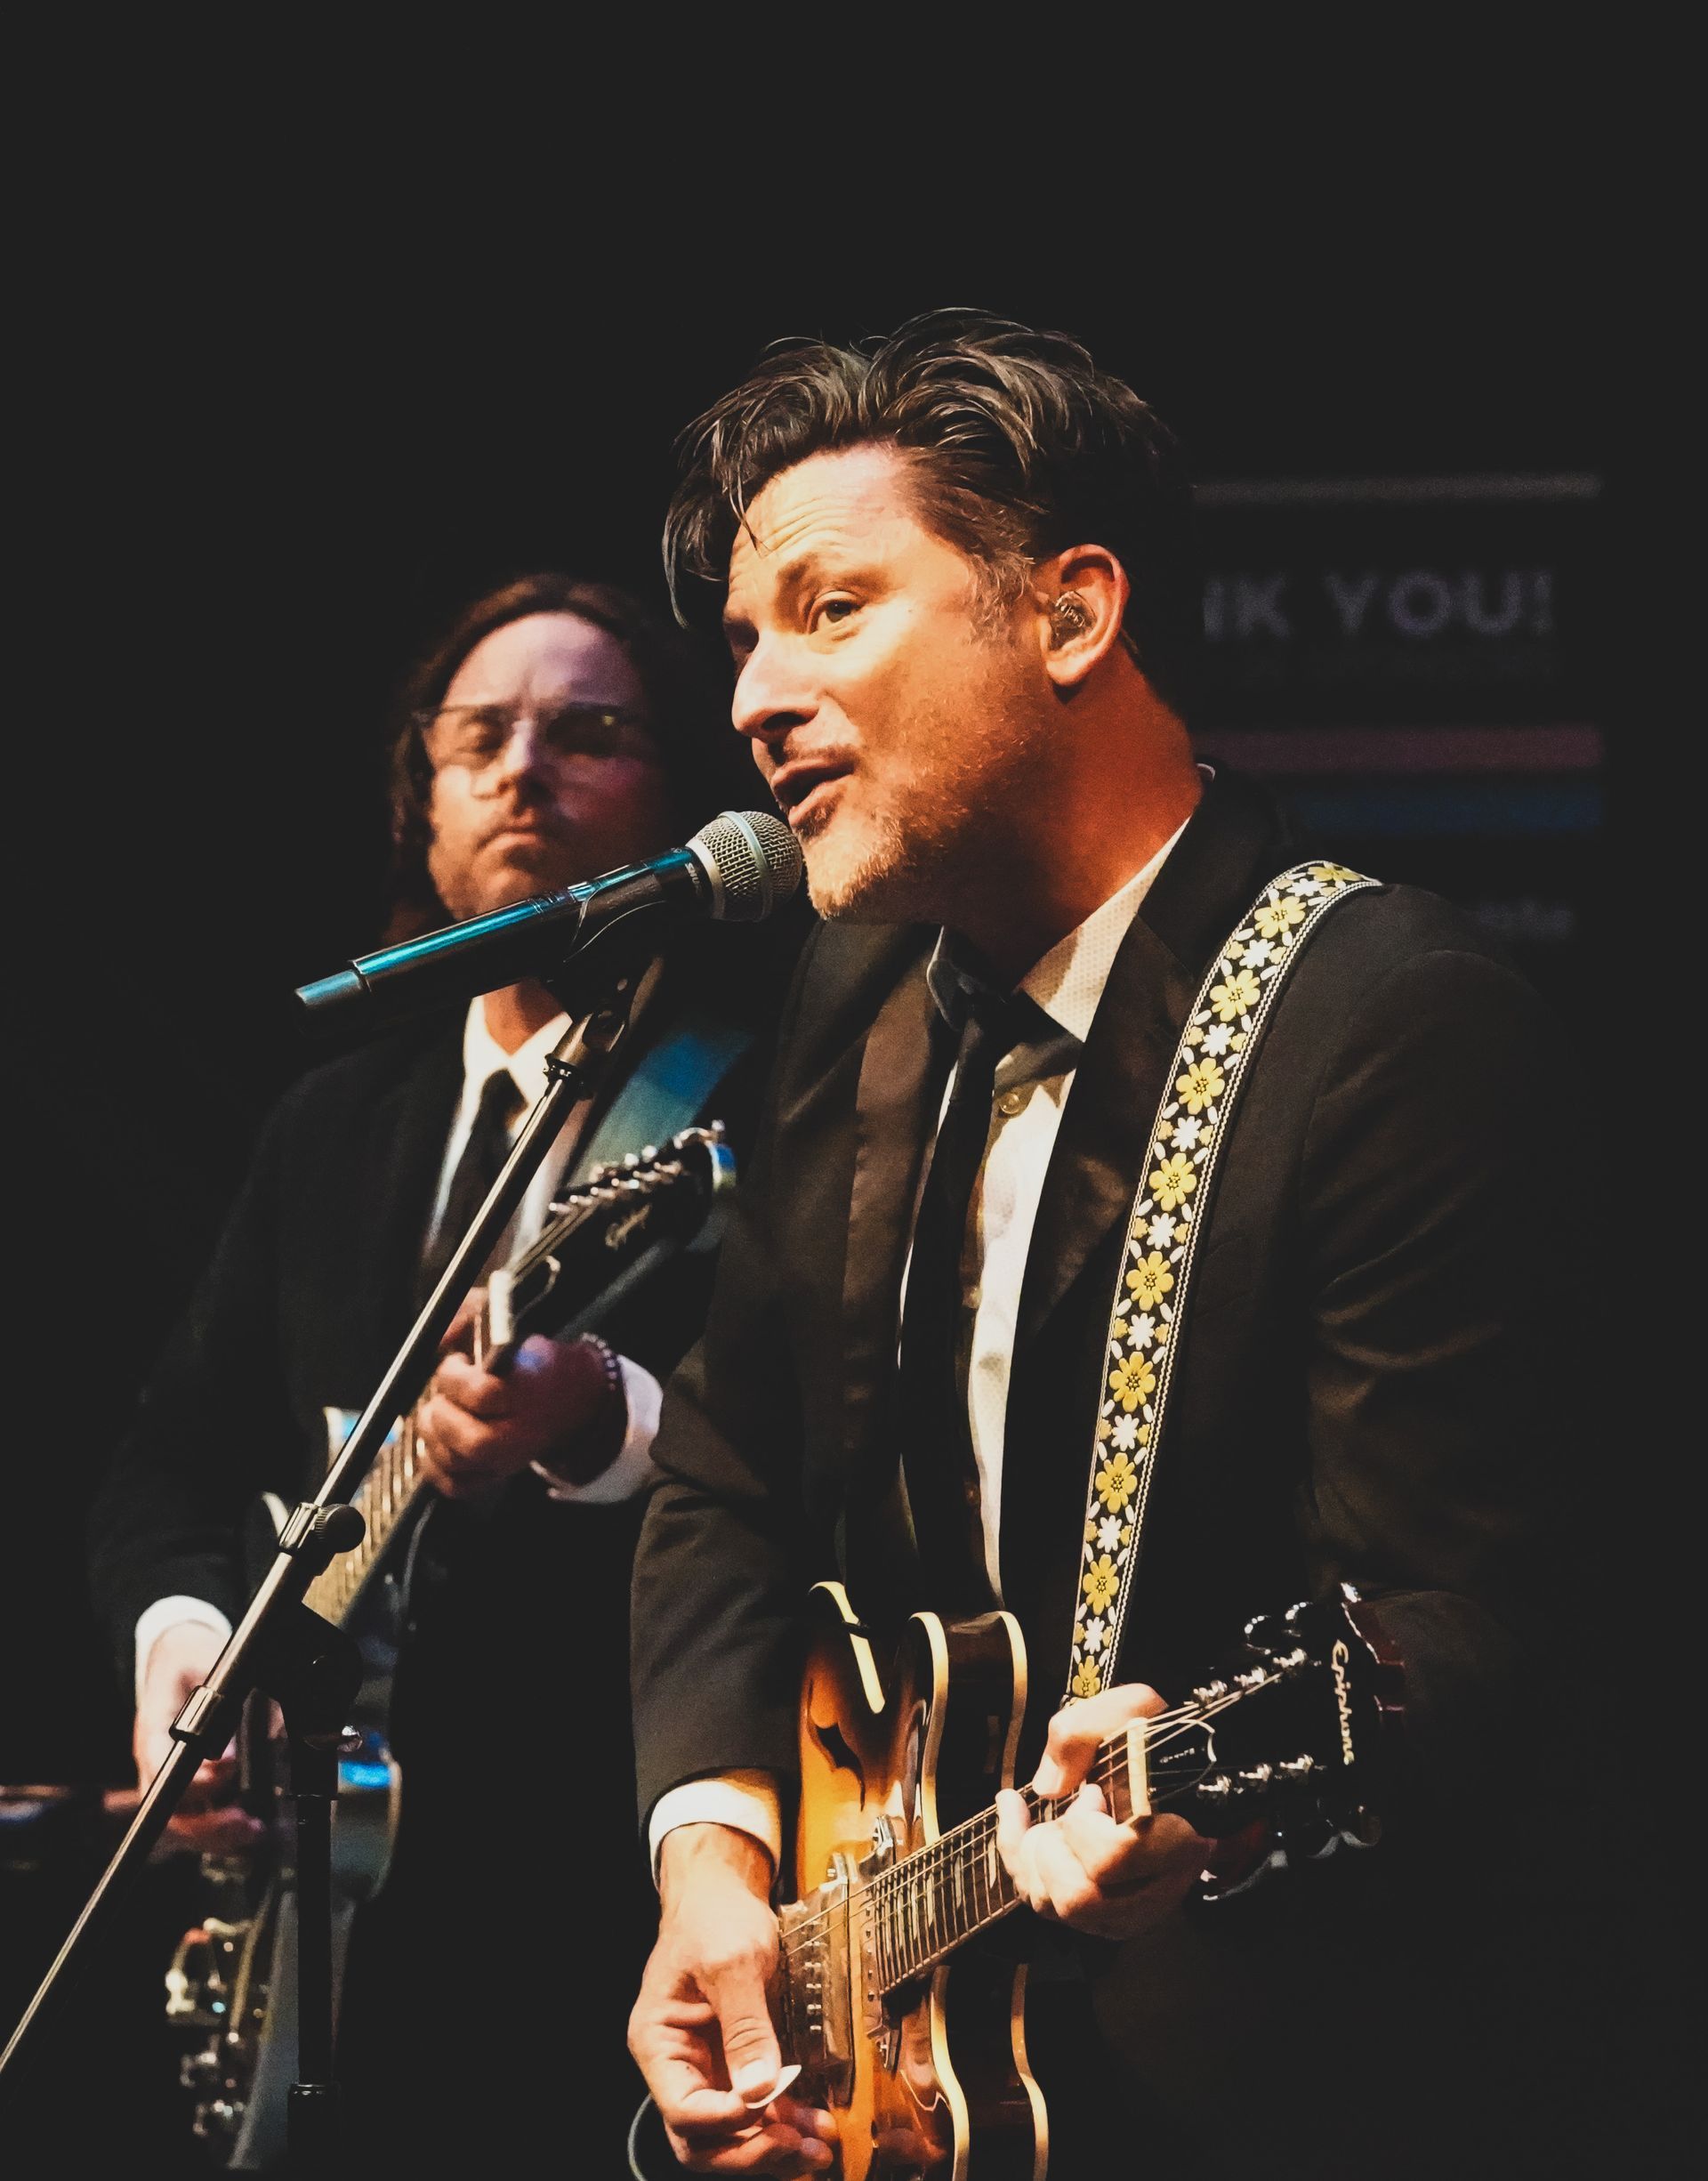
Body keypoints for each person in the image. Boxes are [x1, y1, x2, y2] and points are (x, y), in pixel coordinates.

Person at [624, 312, 1592, 2178]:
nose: (756, 697)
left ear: (1070, 615)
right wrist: (716, 1859)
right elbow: (726, 1469)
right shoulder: (847, 997)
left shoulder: (1389, 1020)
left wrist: (1217, 1812)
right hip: (917, 2080)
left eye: (831, 610)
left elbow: (1478, 1621)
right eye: (743, 641)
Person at [88, 572, 803, 2173]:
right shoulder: (336, 1117)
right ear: (420, 798)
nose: (523, 771)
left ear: (680, 794)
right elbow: (174, 1455)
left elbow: (826, 1453)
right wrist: (192, 1639)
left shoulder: (768, 1089)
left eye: (588, 734)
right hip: (343, 1926)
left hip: (607, 1901)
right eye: (479, 736)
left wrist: (603, 1420)